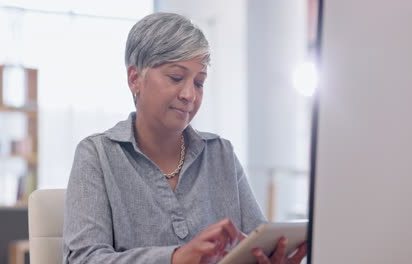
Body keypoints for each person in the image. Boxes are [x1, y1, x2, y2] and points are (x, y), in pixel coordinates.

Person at [63, 12, 307, 264]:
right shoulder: (98, 155)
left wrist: (269, 259)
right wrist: (175, 258)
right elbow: (83, 259)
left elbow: (256, 242)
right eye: (176, 78)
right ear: (135, 78)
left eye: (199, 83)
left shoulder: (220, 152)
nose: (190, 94)